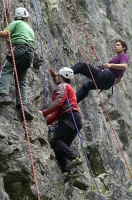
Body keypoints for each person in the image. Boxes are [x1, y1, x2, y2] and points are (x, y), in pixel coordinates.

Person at [39, 67, 82, 177]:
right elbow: (58, 112)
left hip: (70, 117)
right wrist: (46, 122)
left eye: (58, 76)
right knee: (61, 148)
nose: (56, 77)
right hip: (75, 119)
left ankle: (74, 157)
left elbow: (59, 101)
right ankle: (66, 171)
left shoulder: (64, 86)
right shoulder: (68, 88)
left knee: (56, 140)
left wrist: (44, 113)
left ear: (62, 77)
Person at [0, 7, 35, 120]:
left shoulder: (16, 23)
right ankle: (23, 105)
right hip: (30, 54)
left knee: (5, 69)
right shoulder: (29, 29)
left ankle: (3, 94)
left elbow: (6, 34)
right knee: (21, 80)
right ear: (27, 18)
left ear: (16, 16)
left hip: (19, 49)